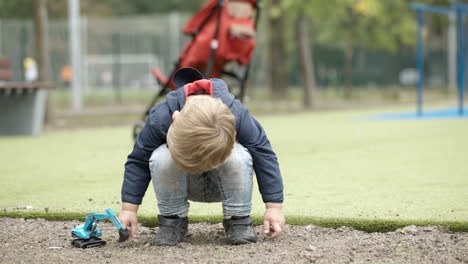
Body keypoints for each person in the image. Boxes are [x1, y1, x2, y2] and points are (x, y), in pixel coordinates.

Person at [118, 67, 285, 246]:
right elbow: (138, 161)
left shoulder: (236, 114)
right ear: (175, 118)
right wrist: (129, 209)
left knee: (239, 155)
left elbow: (264, 154)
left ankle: (238, 220)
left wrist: (274, 207)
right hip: (183, 183)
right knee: (161, 157)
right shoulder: (160, 118)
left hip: (224, 184)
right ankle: (173, 221)